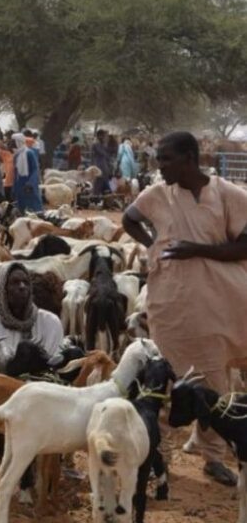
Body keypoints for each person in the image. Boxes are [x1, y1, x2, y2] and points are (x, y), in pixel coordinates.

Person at [122, 131, 247, 487]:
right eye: (158, 159)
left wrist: (198, 249)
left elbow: (245, 245)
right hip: (172, 302)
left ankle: (212, 457)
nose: (160, 166)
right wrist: (152, 245)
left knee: (213, 378)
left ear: (190, 159)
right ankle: (148, 448)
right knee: (170, 373)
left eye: (167, 159)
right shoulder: (158, 195)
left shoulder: (227, 194)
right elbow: (128, 219)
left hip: (220, 303)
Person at [0, 262, 63, 363]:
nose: (22, 286)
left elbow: (55, 361)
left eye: (26, 282)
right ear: (2, 290)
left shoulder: (50, 322)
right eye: (15, 282)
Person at [12, 132, 43, 212]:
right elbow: (16, 172)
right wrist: (14, 187)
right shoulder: (16, 155)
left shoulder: (29, 153)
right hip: (20, 184)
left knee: (34, 205)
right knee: (22, 206)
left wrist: (30, 182)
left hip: (29, 184)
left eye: (13, 142)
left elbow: (35, 169)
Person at [91, 129, 112, 196]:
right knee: (98, 185)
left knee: (103, 185)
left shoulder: (102, 144)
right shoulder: (96, 144)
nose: (106, 138)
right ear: (100, 136)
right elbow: (103, 154)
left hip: (103, 167)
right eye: (104, 136)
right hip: (99, 167)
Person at [0, 136, 15, 202]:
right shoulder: (10, 155)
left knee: (8, 199)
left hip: (9, 183)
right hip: (13, 183)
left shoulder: (4, 154)